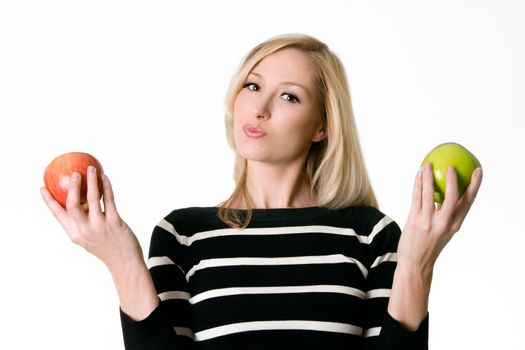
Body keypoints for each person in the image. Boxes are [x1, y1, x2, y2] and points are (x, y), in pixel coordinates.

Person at [41, 33, 482, 350]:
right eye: (252, 86)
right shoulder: (183, 234)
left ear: (323, 125)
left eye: (289, 96)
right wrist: (122, 261)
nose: (259, 107)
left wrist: (419, 263)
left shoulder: (369, 234)